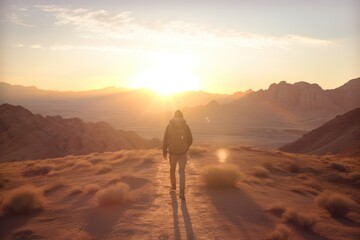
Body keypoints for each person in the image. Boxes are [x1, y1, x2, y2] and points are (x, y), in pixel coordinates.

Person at [163, 110, 193, 200]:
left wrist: (164, 151)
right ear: (182, 117)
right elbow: (190, 139)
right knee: (182, 172)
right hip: (183, 153)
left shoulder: (169, 126)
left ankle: (173, 186)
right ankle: (182, 192)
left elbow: (165, 140)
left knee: (172, 170)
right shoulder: (186, 126)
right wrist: (186, 147)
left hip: (172, 153)